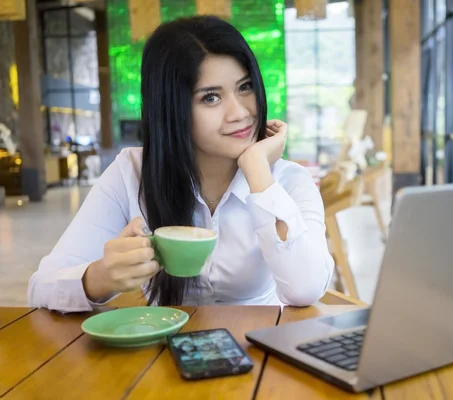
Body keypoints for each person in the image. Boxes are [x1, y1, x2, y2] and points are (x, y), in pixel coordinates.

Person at [28, 15, 334, 312]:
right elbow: (41, 288)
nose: (240, 112)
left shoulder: (289, 181)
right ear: (171, 108)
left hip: (259, 350)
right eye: (211, 98)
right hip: (164, 353)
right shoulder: (131, 173)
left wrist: (257, 169)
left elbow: (306, 288)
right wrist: (102, 276)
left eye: (245, 87)